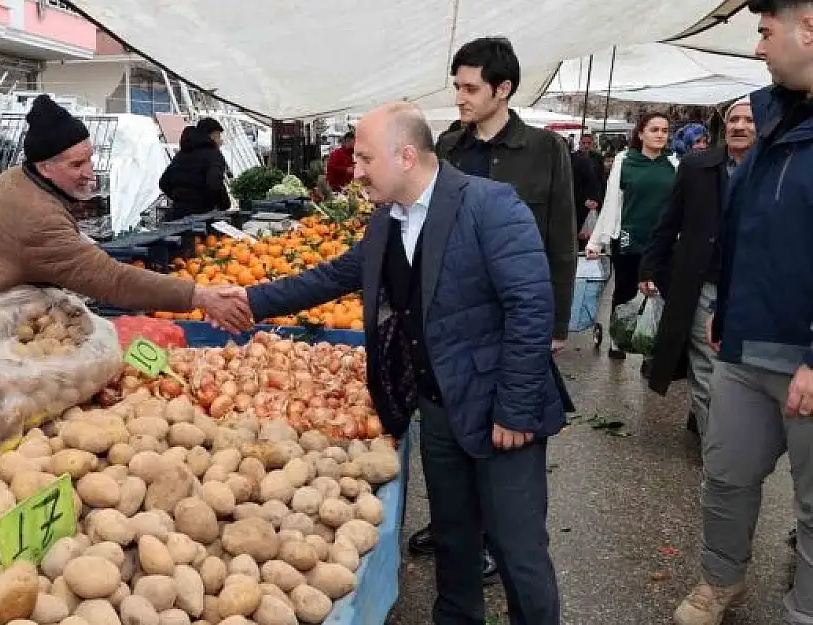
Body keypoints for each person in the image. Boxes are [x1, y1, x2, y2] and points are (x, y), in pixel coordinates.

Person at [237, 101, 565, 625]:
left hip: (499, 408)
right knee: (454, 541)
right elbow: (331, 277)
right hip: (437, 408)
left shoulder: (490, 204)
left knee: (517, 550)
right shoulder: (387, 219)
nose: (356, 169)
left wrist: (517, 408)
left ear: (406, 156)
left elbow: (532, 306)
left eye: (365, 158)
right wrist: (247, 301)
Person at [673, 1, 813, 622]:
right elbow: (747, 228)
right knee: (725, 476)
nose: (757, 47)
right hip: (745, 343)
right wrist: (727, 306)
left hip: (806, 360)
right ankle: (719, 582)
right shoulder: (772, 122)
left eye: (764, 31)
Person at [427, 36, 577, 574]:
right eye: (458, 87)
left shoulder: (544, 149)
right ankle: (459, 524)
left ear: (503, 89)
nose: (461, 98)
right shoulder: (447, 148)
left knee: (512, 427)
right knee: (458, 419)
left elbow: (562, 238)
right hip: (458, 319)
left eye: (471, 88)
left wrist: (557, 323)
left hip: (521, 315)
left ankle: (503, 539)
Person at [0, 96, 249, 331]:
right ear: (44, 166)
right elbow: (111, 280)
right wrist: (198, 296)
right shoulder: (36, 217)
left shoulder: (18, 180)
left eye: (89, 159)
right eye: (76, 165)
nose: (89, 173)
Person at [638, 99, 755, 437]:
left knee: (735, 368)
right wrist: (649, 268)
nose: (740, 126)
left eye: (749, 120)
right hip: (705, 283)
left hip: (750, 286)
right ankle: (718, 456)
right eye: (734, 119)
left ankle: (710, 427)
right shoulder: (696, 166)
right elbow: (668, 220)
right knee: (708, 369)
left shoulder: (773, 170)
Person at [585, 112, 678, 359]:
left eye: (664, 130)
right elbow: (612, 202)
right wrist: (597, 241)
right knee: (625, 290)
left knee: (657, 293)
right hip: (628, 237)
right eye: (654, 129)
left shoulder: (675, 164)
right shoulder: (625, 160)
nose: (660, 135)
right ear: (641, 133)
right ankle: (619, 339)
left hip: (663, 243)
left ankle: (649, 347)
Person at [158, 118, 232, 220]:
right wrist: (223, 204)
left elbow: (163, 182)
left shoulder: (181, 154)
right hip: (203, 216)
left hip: (178, 215)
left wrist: (180, 198)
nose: (221, 142)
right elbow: (214, 183)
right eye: (219, 136)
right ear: (213, 136)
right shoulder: (213, 155)